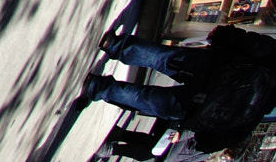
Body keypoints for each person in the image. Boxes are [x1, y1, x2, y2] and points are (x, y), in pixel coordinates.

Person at [84, 26, 276, 156]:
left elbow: (258, 46)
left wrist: (223, 35)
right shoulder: (258, 114)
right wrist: (195, 131)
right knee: (148, 99)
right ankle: (99, 87)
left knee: (165, 58)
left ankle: (115, 45)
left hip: (220, 67)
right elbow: (220, 140)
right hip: (204, 106)